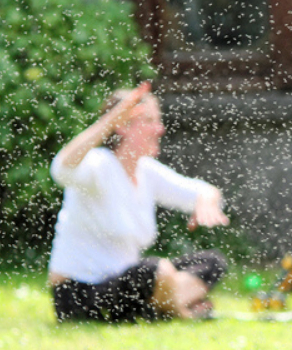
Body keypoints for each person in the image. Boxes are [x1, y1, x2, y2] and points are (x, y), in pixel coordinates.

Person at [48, 81, 230, 322]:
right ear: (122, 126)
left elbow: (202, 190)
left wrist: (206, 200)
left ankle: (158, 305)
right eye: (149, 121)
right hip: (81, 294)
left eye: (158, 121)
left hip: (126, 287)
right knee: (156, 270)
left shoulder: (147, 171)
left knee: (212, 262)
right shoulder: (98, 164)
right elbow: (61, 169)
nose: (159, 129)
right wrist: (109, 120)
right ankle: (176, 308)